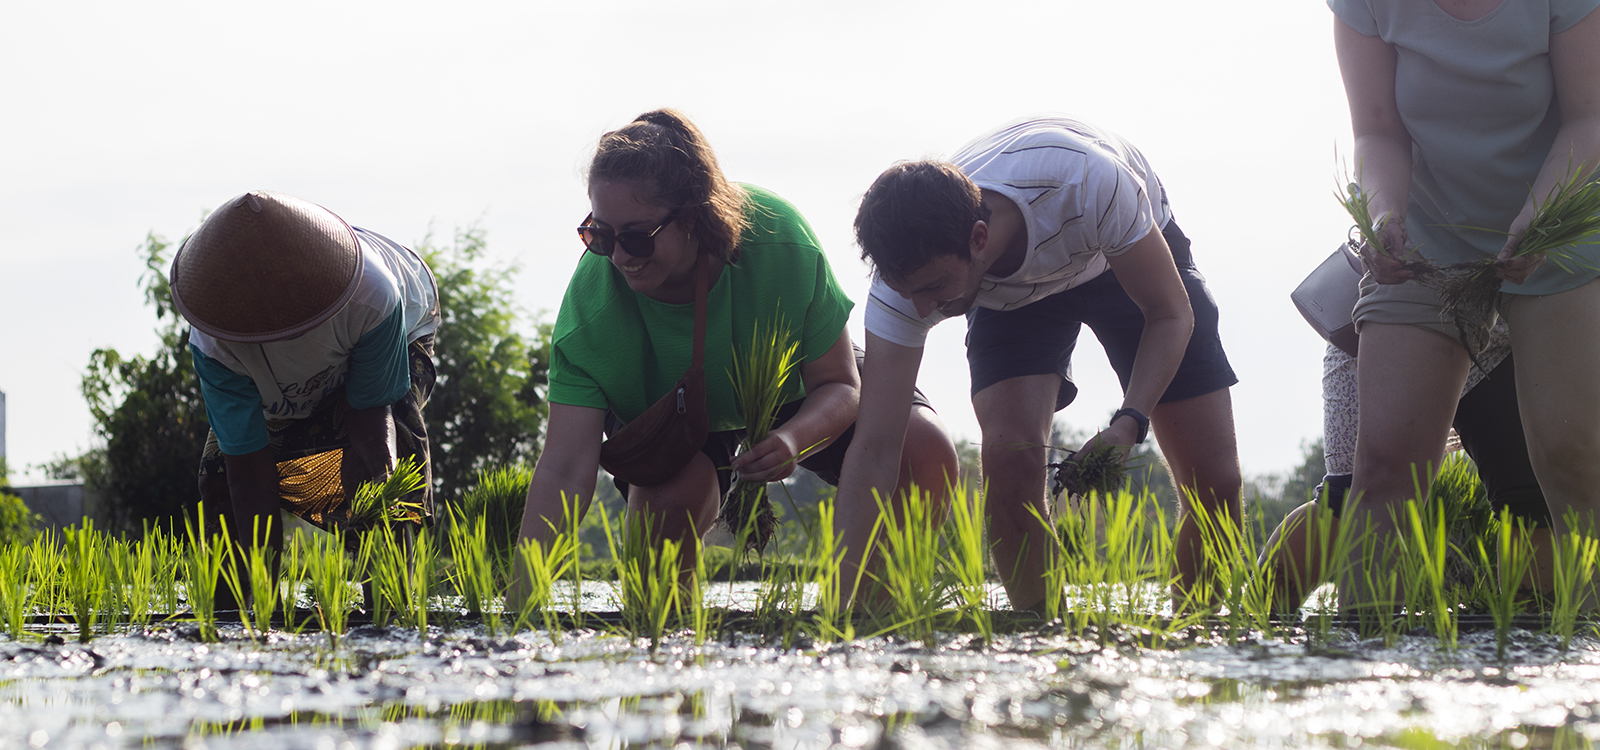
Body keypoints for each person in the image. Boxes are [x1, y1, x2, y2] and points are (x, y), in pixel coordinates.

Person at [515, 110, 958, 585]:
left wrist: (793, 439)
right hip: (668, 406)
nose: (620, 257)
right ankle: (669, 626)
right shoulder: (592, 311)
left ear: (692, 216)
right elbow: (564, 469)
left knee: (923, 449)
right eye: (599, 235)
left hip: (790, 382)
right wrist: (519, 605)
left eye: (638, 238)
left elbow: (839, 384)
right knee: (665, 505)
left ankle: (869, 613)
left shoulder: (779, 241)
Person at [839, 117, 1243, 612]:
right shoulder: (902, 288)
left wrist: (1129, 422)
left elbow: (1171, 314)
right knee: (1010, 461)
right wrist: (843, 612)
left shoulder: (1088, 181)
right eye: (910, 293)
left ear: (979, 238)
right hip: (1010, 294)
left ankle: (1194, 632)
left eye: (933, 288)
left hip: (1120, 251)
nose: (924, 310)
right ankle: (1041, 635)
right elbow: (875, 447)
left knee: (1215, 483)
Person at [1332, 0, 1600, 606]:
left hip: (1558, 220)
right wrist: (1383, 215)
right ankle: (1366, 652)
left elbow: (1589, 118)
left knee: (1574, 459)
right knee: (1385, 466)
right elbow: (1376, 130)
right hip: (1426, 234)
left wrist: (1540, 216)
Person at [174, 190, 441, 557]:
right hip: (288, 370)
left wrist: (384, 481)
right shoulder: (215, 343)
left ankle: (387, 587)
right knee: (218, 477)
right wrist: (261, 588)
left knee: (376, 463)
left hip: (399, 327)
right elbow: (246, 465)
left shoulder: (372, 298)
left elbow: (369, 409)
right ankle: (239, 593)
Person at [1262, 334, 1554, 608]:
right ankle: (1261, 615)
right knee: (1350, 495)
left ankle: (1534, 631)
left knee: (1527, 495)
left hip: (1490, 338)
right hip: (1384, 333)